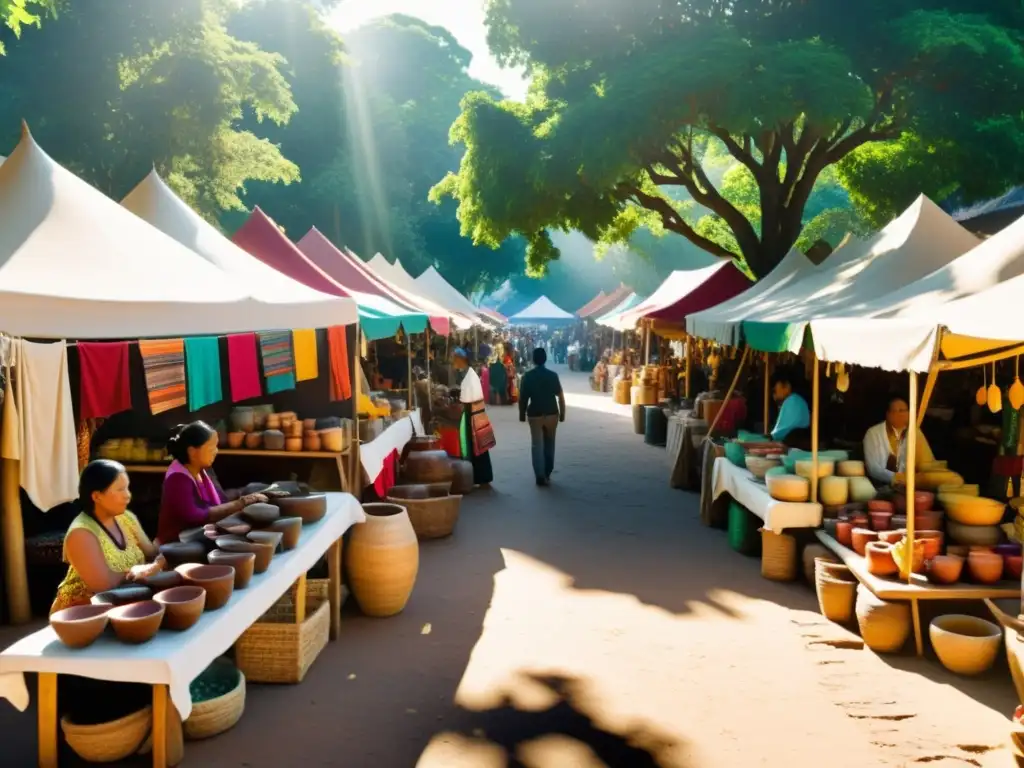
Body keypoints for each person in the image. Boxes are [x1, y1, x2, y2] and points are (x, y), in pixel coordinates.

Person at [52, 459, 165, 613]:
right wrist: (137, 572)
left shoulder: (126, 517)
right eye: (120, 490)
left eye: (127, 488)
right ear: (97, 496)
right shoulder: (80, 533)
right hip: (82, 615)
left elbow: (151, 553)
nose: (128, 496)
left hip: (126, 605)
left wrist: (165, 552)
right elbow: (103, 586)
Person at [157, 421, 267, 544]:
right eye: (211, 447)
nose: (216, 451)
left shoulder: (203, 469)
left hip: (200, 533)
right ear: (192, 452)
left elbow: (221, 499)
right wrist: (242, 502)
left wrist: (245, 492)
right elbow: (194, 516)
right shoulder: (177, 478)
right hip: (178, 544)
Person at [863, 393, 936, 486]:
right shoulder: (873, 433)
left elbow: (928, 464)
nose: (900, 415)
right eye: (896, 411)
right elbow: (873, 468)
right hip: (880, 487)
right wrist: (897, 478)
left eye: (903, 411)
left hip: (911, 487)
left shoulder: (915, 433)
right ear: (888, 414)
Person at [519, 348, 566, 486]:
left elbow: (523, 398)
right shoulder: (553, 375)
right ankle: (548, 472)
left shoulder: (527, 376)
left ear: (533, 359)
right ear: (545, 359)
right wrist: (563, 413)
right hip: (552, 413)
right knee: (550, 443)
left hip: (535, 415)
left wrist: (522, 414)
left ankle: (539, 475)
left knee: (537, 444)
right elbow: (560, 396)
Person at [453, 349, 495, 485]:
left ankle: (481, 477)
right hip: (474, 413)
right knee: (478, 447)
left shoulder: (470, 376)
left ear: (461, 359)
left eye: (455, 359)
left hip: (473, 414)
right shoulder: (468, 374)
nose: (453, 362)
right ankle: (480, 477)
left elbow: (468, 399)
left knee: (478, 447)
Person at [770, 370, 811, 446]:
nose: (775, 392)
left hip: (795, 442)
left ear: (787, 386)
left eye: (775, 389)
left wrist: (771, 437)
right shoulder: (795, 399)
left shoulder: (792, 400)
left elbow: (782, 430)